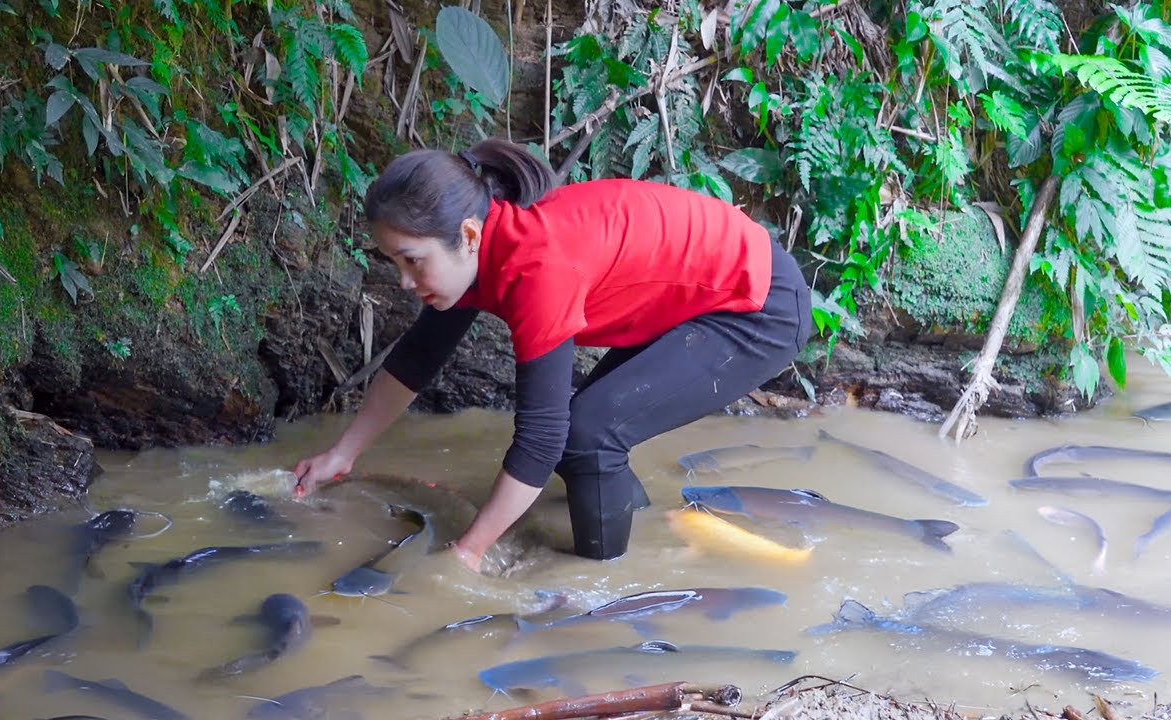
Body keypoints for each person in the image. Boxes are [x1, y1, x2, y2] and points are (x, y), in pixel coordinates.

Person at [292, 138, 814, 572]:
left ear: (467, 236)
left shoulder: (536, 268)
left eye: (412, 261)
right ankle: (653, 525)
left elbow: (542, 437)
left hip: (757, 306)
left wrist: (469, 551)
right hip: (696, 296)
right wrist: (342, 455)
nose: (405, 282)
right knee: (588, 434)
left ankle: (605, 585)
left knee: (587, 435)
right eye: (395, 263)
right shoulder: (479, 247)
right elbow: (418, 356)